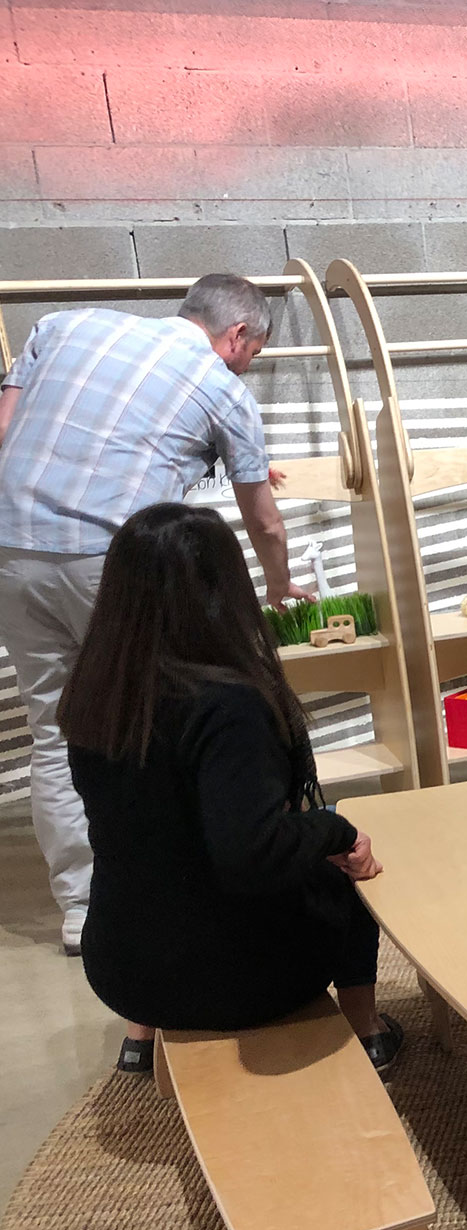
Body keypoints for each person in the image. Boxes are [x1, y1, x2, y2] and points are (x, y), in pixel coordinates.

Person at [0, 273, 313, 956]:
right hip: (116, 564)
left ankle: (84, 911)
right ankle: (176, 887)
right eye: (254, 354)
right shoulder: (223, 390)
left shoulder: (65, 325)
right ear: (237, 336)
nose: (248, 367)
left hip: (10, 547)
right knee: (168, 716)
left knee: (58, 727)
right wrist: (280, 585)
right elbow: (263, 521)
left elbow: (6, 428)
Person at [61, 505, 400, 1075]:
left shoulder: (99, 691)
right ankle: (367, 1029)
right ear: (225, 588)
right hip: (235, 978)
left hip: (121, 968)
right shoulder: (227, 704)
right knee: (344, 860)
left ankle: (138, 1042)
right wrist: (336, 831)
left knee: (150, 852)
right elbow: (251, 854)